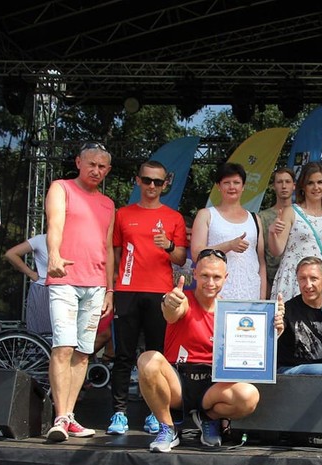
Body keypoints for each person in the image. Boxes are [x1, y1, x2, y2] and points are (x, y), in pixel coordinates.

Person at [136, 249, 284, 452]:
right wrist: (169, 303)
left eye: (216, 277)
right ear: (195, 274)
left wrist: (272, 330)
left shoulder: (233, 311)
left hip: (212, 386)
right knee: (147, 360)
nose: (210, 282)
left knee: (249, 396)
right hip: (177, 382)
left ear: (226, 278)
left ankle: (207, 418)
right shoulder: (183, 300)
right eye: (205, 275)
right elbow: (171, 312)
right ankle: (167, 427)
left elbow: (251, 346)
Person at [106, 160, 187, 436]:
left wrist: (170, 245)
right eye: (147, 180)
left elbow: (181, 258)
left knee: (157, 355)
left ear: (165, 185)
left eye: (158, 182)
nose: (152, 186)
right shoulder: (123, 214)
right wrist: (112, 287)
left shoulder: (174, 217)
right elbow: (115, 254)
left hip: (159, 293)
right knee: (123, 355)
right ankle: (119, 413)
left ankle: (156, 413)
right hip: (127, 291)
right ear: (138, 180)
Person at [44, 142, 115, 442]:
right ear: (78, 163)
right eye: (91, 164)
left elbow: (108, 248)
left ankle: (69, 415)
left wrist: (110, 289)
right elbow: (54, 225)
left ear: (108, 170)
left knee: (84, 353)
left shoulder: (108, 203)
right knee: (63, 347)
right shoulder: (61, 188)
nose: (96, 170)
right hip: (65, 280)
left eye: (101, 166)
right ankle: (60, 416)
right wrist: (54, 256)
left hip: (96, 284)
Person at [191, 162, 266, 299]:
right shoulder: (206, 215)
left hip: (251, 293)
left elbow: (261, 263)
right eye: (226, 183)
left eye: (236, 182)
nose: (232, 187)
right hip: (216, 293)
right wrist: (229, 245)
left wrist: (262, 298)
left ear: (243, 186)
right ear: (218, 186)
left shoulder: (255, 219)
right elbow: (196, 254)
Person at [269, 162, 322, 300]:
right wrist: (272, 232)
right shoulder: (291, 211)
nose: (316, 187)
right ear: (303, 187)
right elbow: (277, 250)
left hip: (318, 278)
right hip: (293, 277)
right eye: (310, 183)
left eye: (320, 182)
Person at [258, 167, 295, 293]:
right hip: (271, 279)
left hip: (296, 278)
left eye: (287, 182)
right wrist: (265, 284)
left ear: (294, 186)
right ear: (274, 186)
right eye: (279, 182)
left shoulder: (301, 215)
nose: (284, 186)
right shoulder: (262, 217)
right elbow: (260, 253)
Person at [4, 233, 51, 334]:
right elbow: (11, 254)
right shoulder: (41, 239)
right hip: (43, 288)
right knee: (42, 333)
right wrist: (31, 273)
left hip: (67, 288)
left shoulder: (72, 239)